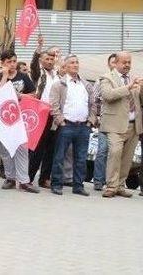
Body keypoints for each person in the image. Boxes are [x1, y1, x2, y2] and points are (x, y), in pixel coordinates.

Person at [49, 55, 96, 196]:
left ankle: (78, 185)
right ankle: (56, 184)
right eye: (72, 63)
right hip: (66, 125)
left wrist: (90, 121)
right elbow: (54, 105)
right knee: (59, 156)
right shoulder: (59, 84)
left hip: (83, 126)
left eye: (77, 62)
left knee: (81, 158)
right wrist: (60, 121)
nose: (75, 65)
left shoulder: (86, 85)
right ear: (66, 66)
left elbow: (93, 105)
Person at [98, 51, 143, 198]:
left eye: (129, 62)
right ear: (116, 63)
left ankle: (120, 185)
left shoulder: (133, 78)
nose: (127, 65)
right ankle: (111, 186)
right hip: (114, 125)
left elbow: (139, 101)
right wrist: (128, 87)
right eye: (124, 62)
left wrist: (141, 89)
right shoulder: (106, 78)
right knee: (115, 153)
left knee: (127, 157)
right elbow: (108, 96)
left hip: (133, 124)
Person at [0, 50, 39, 193]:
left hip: (21, 118)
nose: (12, 64)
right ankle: (10, 178)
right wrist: (5, 76)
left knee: (22, 148)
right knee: (6, 150)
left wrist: (20, 95)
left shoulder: (23, 77)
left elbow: (33, 93)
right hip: (4, 119)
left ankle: (24, 181)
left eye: (14, 61)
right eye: (9, 62)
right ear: (3, 63)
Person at [28, 36, 59, 188]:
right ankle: (28, 177)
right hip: (41, 112)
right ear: (42, 60)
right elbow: (33, 64)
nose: (50, 61)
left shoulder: (57, 75)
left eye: (52, 59)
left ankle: (44, 178)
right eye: (47, 59)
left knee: (51, 147)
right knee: (37, 148)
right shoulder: (38, 73)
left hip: (54, 114)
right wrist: (39, 48)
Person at [93, 53, 117, 191]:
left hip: (120, 122)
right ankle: (98, 180)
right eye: (112, 62)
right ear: (109, 65)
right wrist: (96, 117)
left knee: (115, 153)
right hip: (105, 121)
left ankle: (113, 182)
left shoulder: (125, 81)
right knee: (102, 151)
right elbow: (95, 99)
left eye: (116, 62)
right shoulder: (102, 80)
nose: (114, 65)